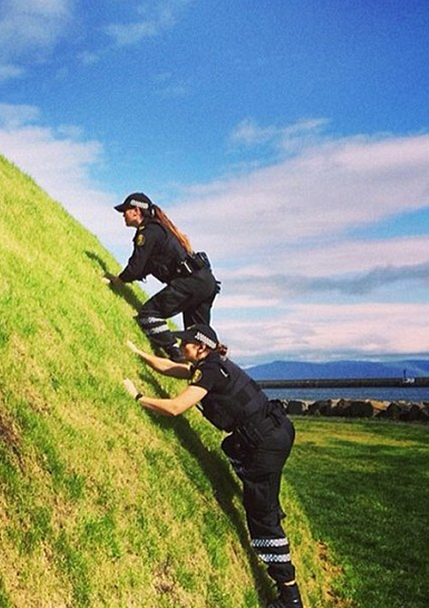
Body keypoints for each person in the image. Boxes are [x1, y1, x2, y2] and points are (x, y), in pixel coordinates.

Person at [123, 324, 304, 608]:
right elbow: (173, 368)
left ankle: (290, 598)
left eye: (186, 344)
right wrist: (139, 354)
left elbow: (175, 407)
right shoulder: (211, 365)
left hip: (264, 442)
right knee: (243, 465)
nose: (181, 347)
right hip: (275, 430)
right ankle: (269, 503)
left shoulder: (210, 371)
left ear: (201, 347)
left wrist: (137, 397)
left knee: (261, 521)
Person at [106, 192, 220, 362]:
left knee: (148, 315)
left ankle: (176, 354)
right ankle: (208, 374)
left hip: (190, 283)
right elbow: (148, 266)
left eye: (126, 210)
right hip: (205, 282)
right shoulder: (159, 229)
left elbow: (135, 268)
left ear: (137, 210)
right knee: (197, 337)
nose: (123, 214)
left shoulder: (148, 231)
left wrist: (117, 280)